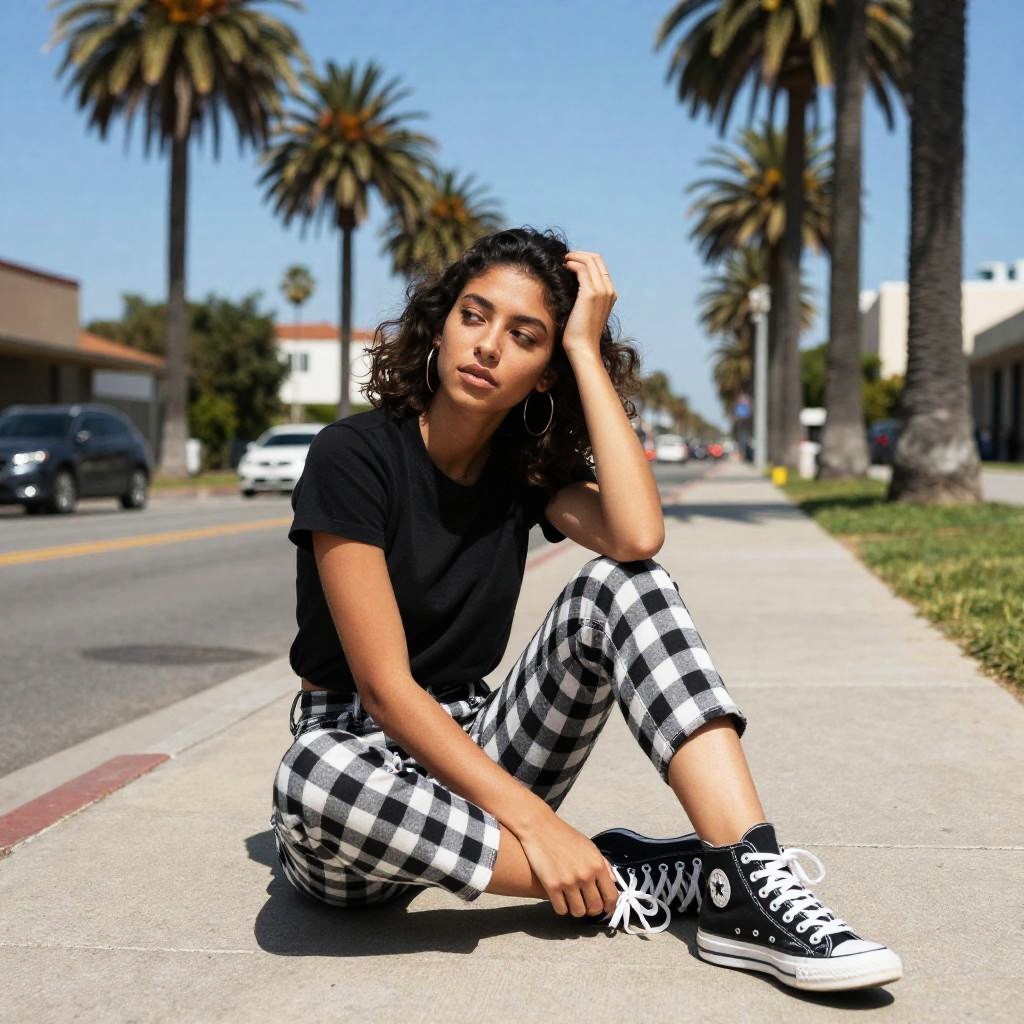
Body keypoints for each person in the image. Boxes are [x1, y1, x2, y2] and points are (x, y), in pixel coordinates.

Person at [270, 227, 902, 993]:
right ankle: (617, 878)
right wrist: (542, 827)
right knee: (310, 774)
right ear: (440, 326)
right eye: (474, 316)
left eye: (524, 335)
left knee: (625, 584)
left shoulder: (524, 471)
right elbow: (385, 691)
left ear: (542, 372)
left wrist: (586, 352)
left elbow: (637, 536)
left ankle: (745, 877)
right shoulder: (353, 456)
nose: (488, 346)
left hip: (478, 745)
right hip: (361, 781)